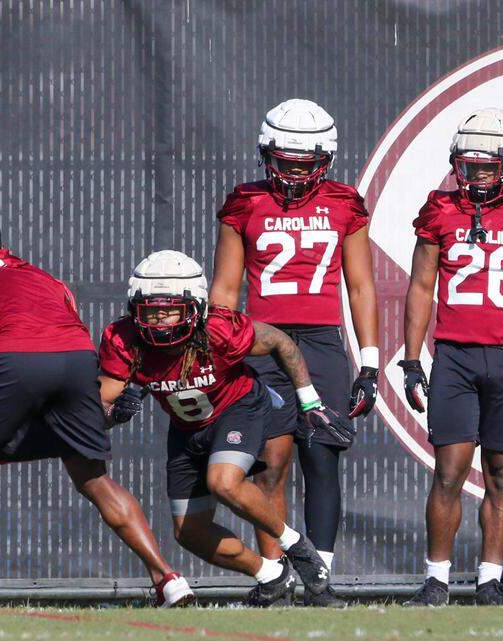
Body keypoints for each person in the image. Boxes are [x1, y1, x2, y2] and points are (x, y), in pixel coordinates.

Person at [0, 218, 195, 611]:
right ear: (2, 247)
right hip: (77, 357)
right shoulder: (44, 276)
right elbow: (70, 322)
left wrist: (4, 398)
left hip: (11, 359)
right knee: (94, 477)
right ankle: (167, 578)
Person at [98, 250, 348, 607]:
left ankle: (295, 545)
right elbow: (102, 408)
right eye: (150, 310)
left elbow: (281, 342)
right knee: (190, 532)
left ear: (196, 307)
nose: (159, 321)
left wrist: (308, 400)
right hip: (187, 428)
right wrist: (115, 413)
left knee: (223, 481)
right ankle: (270, 574)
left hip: (239, 408)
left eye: (170, 310)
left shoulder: (219, 328)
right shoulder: (123, 339)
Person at [208, 98, 380, 606]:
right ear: (266, 154)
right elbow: (224, 290)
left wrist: (369, 362)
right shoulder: (245, 202)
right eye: (285, 163)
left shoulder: (345, 202)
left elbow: (361, 286)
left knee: (322, 454)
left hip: (322, 339)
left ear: (324, 160)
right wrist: (223, 353)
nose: (294, 175)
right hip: (261, 339)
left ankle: (319, 576)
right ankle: (278, 573)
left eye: (306, 166)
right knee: (270, 461)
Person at [399, 108, 503, 606]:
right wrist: (411, 360)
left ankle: (490, 579)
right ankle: (436, 580)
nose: (473, 178)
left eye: (485, 168)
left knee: (502, 470)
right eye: (466, 167)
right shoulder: (440, 210)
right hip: (454, 356)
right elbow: (421, 287)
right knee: (448, 470)